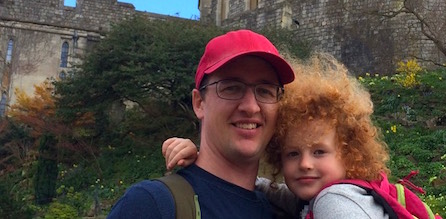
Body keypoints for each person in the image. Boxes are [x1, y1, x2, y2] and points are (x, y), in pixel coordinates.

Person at [164, 55, 392, 218]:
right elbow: (267, 189)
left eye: (319, 152)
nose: (305, 164)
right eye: (292, 153)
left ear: (349, 154)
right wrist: (203, 157)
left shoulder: (333, 201)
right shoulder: (315, 196)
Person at [108, 29, 295, 219]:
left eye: (265, 91)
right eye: (231, 88)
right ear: (199, 103)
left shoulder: (287, 211)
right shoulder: (151, 205)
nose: (251, 107)